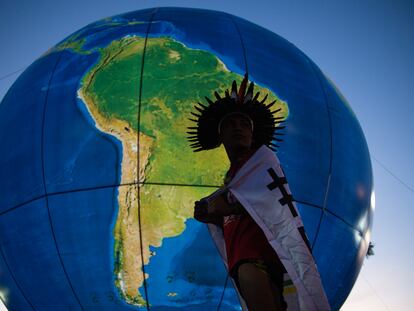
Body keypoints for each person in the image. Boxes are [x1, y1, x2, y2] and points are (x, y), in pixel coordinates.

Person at [187, 74, 330, 311]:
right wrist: (211, 214)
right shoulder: (232, 179)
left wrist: (226, 205)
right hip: (241, 256)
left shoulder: (264, 162)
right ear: (220, 135)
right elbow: (241, 213)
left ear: (253, 134)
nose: (239, 129)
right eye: (231, 124)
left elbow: (269, 204)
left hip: (262, 257)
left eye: (244, 124)